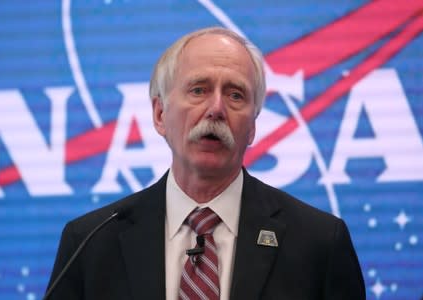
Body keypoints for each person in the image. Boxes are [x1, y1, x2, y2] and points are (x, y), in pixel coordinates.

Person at [47, 27, 366, 299]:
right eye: (198, 90)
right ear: (160, 115)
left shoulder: (318, 243)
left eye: (236, 95)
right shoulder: (90, 244)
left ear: (253, 126)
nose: (216, 108)